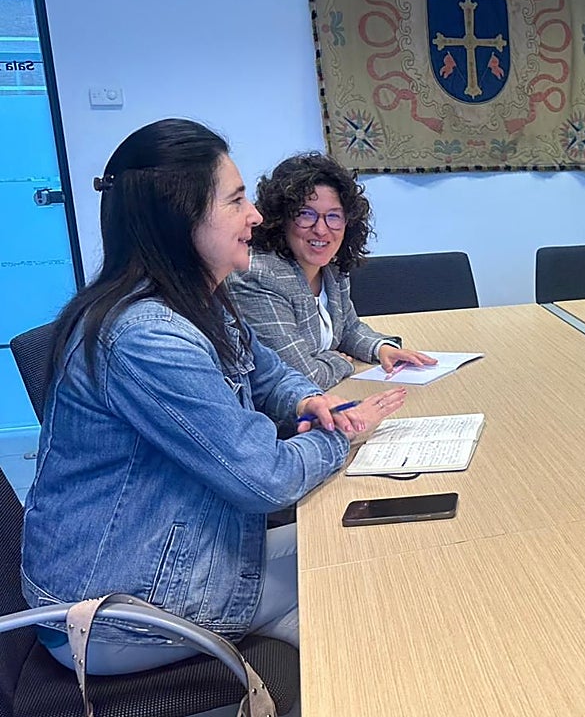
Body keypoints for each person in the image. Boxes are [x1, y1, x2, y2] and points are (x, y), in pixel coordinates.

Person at [21, 119, 408, 675]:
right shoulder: (146, 337)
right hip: (114, 611)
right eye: (235, 201)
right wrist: (341, 434)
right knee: (362, 579)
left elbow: (268, 371)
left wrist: (308, 402)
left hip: (159, 557)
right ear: (181, 219)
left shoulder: (195, 300)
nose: (256, 217)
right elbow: (266, 478)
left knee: (358, 555)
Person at [227, 153, 435, 390]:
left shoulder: (332, 267)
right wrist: (339, 361)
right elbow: (300, 376)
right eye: (306, 214)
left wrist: (382, 349)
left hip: (332, 395)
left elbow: (348, 328)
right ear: (280, 218)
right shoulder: (258, 276)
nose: (321, 230)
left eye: (334, 216)